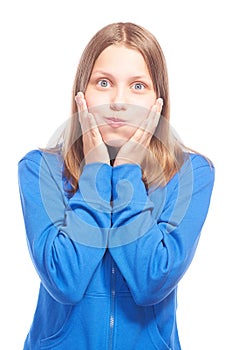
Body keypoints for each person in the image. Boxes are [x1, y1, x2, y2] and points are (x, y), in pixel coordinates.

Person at [18, 22, 215, 350]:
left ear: (158, 100)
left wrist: (126, 171)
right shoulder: (40, 169)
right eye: (104, 82)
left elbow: (152, 281)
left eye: (138, 86)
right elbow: (64, 280)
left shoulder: (191, 173)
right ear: (82, 93)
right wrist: (96, 172)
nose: (119, 101)